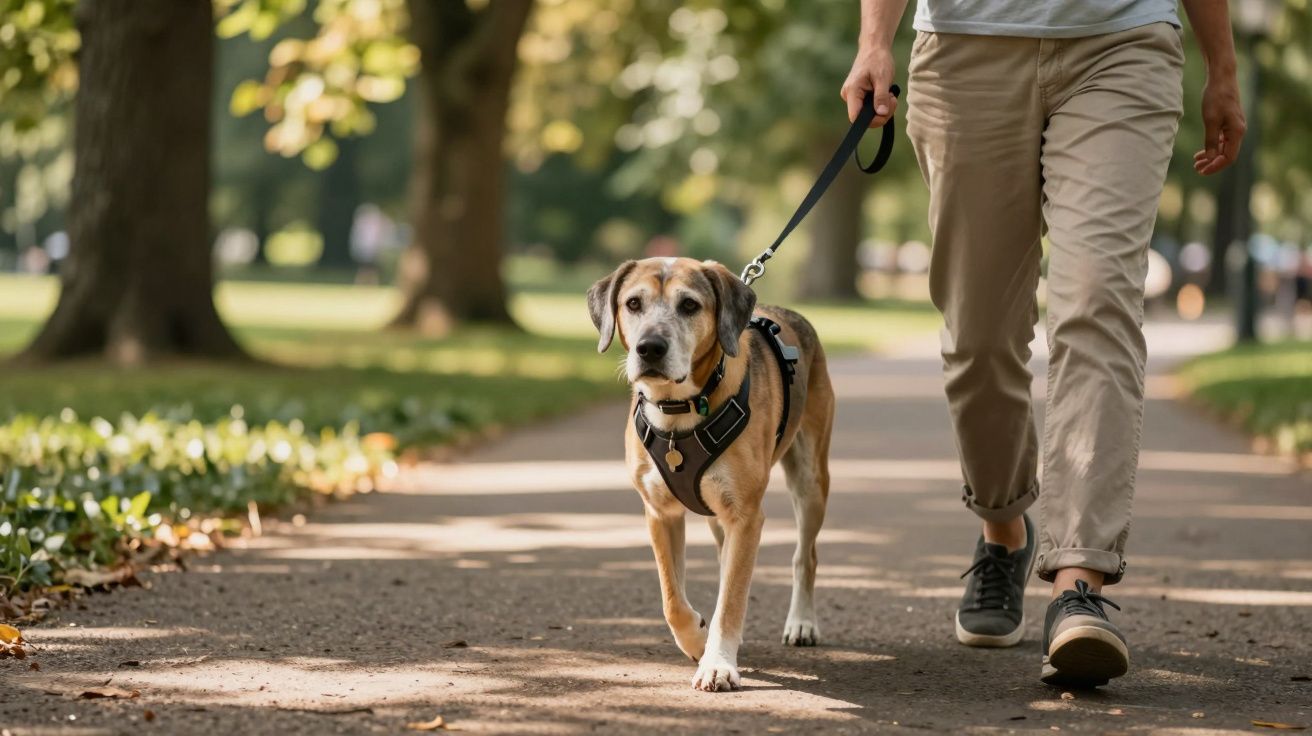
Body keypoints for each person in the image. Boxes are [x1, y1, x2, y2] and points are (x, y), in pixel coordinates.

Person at [841, 0, 1244, 686]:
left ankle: (1079, 582)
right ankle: (1005, 530)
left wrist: (1223, 67)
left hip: (1122, 44)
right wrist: (874, 39)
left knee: (1097, 303)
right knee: (978, 337)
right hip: (967, 49)